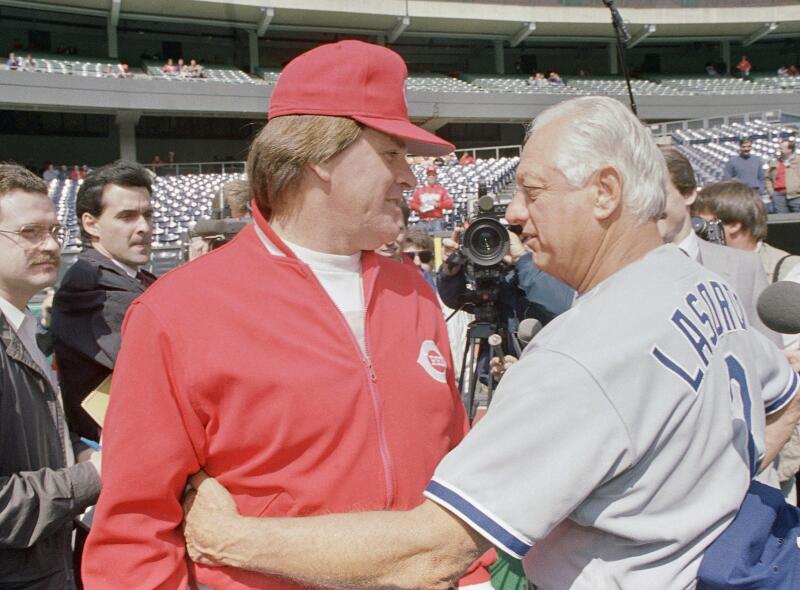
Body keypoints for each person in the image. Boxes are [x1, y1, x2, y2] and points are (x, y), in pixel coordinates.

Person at [181, 96, 800, 589]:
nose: (512, 214)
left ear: (606, 193)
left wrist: (231, 539)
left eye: (533, 191)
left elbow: (430, 555)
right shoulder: (699, 282)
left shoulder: (580, 355)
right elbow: (784, 398)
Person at [82, 40, 494, 590]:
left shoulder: (413, 291)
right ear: (322, 158)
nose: (410, 178)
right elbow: (134, 534)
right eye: (391, 152)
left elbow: (448, 466)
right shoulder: (177, 311)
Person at [0, 163, 101, 589]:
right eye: (30, 233)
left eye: (55, 231)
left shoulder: (29, 332)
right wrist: (93, 476)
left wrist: (77, 453)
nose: (51, 245)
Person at [50, 160, 155, 442]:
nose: (144, 226)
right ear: (91, 224)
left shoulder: (136, 277)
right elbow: (167, 366)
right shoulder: (88, 285)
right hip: (112, 452)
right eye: (127, 216)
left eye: (148, 214)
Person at [658, 147, 780, 347]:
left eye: (658, 193)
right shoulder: (618, 270)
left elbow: (771, 358)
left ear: (688, 193)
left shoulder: (744, 265)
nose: (647, 204)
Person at [692, 179, 800, 284]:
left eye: (702, 224)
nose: (696, 232)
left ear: (733, 225)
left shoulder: (788, 269)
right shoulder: (698, 265)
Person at [722, 137, 769, 210]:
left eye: (749, 146)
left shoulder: (757, 160)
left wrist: (761, 189)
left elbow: (762, 177)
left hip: (755, 193)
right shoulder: (732, 162)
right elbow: (726, 179)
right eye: (744, 147)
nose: (746, 149)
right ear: (740, 147)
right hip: (740, 195)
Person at [408, 166, 454, 233]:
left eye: (433, 175)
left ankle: (437, 243)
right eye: (429, 175)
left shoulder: (441, 190)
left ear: (436, 176)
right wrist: (419, 208)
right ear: (427, 177)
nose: (431, 176)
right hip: (423, 220)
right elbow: (412, 204)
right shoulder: (420, 191)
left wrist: (438, 204)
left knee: (437, 240)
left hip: (437, 220)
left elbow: (450, 204)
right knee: (418, 239)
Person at [766, 138, 799, 213]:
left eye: (782, 148)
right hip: (778, 196)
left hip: (796, 195)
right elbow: (767, 178)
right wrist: (771, 192)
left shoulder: (798, 161)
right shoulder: (774, 163)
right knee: (782, 221)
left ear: (789, 149)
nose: (779, 150)